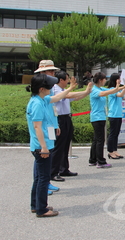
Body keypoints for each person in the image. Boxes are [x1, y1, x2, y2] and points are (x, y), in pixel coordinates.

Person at [26, 74, 76, 217]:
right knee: (43, 178)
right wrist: (44, 147)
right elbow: (37, 127)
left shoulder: (41, 99)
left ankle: (36, 205)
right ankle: (42, 209)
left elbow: (57, 98)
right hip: (41, 147)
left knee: (39, 177)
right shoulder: (37, 104)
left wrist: (70, 88)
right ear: (42, 89)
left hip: (42, 145)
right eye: (49, 86)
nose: (52, 89)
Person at [51, 71, 93, 182]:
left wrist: (87, 92)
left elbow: (74, 97)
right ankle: (54, 172)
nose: (69, 81)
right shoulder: (55, 89)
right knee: (58, 146)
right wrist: (78, 89)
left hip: (67, 118)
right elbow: (69, 95)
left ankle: (64, 169)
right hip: (59, 119)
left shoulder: (63, 90)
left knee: (66, 145)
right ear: (61, 80)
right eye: (67, 79)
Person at [34, 60, 62, 194]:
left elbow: (52, 107)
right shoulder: (40, 89)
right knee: (41, 159)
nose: (53, 73)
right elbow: (37, 123)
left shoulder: (48, 88)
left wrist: (55, 124)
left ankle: (46, 183)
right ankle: (42, 186)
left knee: (46, 160)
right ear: (42, 72)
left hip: (50, 126)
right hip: (43, 129)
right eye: (50, 71)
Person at [89, 72, 125, 168]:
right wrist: (118, 87)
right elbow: (105, 93)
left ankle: (92, 160)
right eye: (105, 79)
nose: (106, 80)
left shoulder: (100, 88)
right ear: (100, 80)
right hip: (97, 117)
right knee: (100, 140)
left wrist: (123, 86)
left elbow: (112, 90)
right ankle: (100, 161)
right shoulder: (95, 90)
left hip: (100, 117)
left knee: (96, 139)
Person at [107, 73, 125, 159]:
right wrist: (124, 86)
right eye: (118, 79)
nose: (120, 80)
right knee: (112, 134)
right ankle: (110, 151)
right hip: (113, 114)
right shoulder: (112, 89)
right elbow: (120, 95)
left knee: (116, 134)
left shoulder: (118, 90)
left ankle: (115, 150)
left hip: (118, 115)